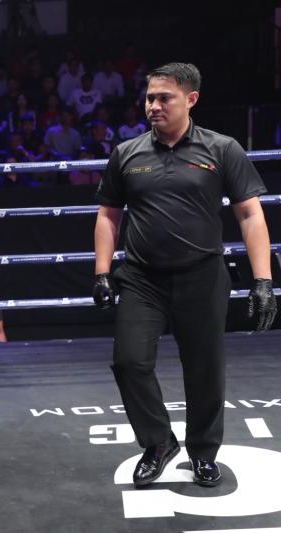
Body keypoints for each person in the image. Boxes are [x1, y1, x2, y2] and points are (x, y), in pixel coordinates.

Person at [93, 62, 277, 489]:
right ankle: (158, 442)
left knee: (204, 369)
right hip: (141, 278)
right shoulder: (127, 152)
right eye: (149, 98)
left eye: (164, 98)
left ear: (191, 99)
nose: (153, 106)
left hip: (203, 275)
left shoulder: (222, 148)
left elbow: (250, 214)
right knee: (129, 362)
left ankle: (204, 452)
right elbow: (108, 215)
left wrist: (263, 281)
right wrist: (102, 271)